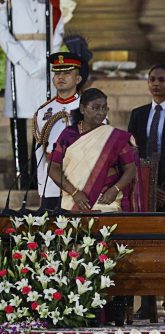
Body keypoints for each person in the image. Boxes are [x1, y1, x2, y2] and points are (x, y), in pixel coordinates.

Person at [127, 64, 165, 320]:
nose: (155, 84)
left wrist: (164, 187)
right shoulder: (138, 114)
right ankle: (146, 304)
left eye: (161, 80)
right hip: (144, 191)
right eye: (152, 79)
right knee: (144, 246)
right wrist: (146, 188)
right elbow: (132, 154)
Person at [0, 0, 64, 188]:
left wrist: (48, 59)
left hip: (45, 63)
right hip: (19, 64)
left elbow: (59, 27)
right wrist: (24, 61)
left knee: (44, 118)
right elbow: (2, 30)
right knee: (19, 118)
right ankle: (23, 176)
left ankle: (40, 174)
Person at [48, 88, 139, 212]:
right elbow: (53, 168)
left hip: (107, 202)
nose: (101, 113)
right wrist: (74, 193)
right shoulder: (68, 135)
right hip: (73, 202)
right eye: (96, 108)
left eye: (104, 108)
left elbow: (131, 168)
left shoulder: (114, 137)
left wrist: (115, 190)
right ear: (82, 109)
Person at [33, 52, 83, 211]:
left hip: (79, 178)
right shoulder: (43, 111)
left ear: (78, 79)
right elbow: (39, 151)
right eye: (57, 73)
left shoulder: (89, 107)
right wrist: (42, 185)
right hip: (51, 181)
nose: (61, 77)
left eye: (67, 73)